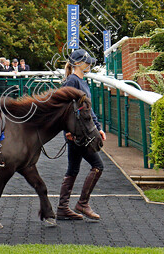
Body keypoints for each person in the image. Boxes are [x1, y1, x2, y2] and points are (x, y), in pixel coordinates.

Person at [56, 48, 107, 221]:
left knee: (73, 169)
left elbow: (87, 108)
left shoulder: (81, 81)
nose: (90, 64)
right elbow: (64, 108)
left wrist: (98, 127)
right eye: (87, 62)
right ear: (77, 63)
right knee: (98, 166)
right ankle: (82, 204)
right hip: (77, 135)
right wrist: (68, 131)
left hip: (80, 133)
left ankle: (63, 208)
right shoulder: (72, 81)